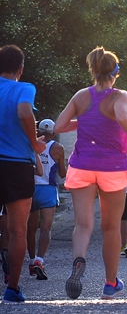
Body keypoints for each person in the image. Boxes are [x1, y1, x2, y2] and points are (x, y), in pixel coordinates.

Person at [54, 47, 127, 300]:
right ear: (115, 72)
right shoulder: (120, 96)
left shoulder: (81, 96)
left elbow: (60, 125)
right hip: (112, 168)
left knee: (83, 224)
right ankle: (110, 283)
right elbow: (120, 115)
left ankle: (79, 261)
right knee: (111, 227)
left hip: (82, 166)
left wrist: (84, 119)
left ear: (93, 71)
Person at [0, 45, 47, 303]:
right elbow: (23, 112)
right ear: (21, 68)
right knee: (18, 229)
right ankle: (13, 289)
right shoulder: (24, 88)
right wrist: (35, 142)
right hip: (17, 164)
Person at [26, 119, 66, 282]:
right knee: (46, 228)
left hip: (31, 188)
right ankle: (40, 261)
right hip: (48, 189)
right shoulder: (58, 148)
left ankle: (31, 259)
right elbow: (63, 174)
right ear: (54, 133)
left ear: (38, 131)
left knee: (30, 228)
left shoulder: (30, 144)